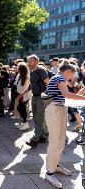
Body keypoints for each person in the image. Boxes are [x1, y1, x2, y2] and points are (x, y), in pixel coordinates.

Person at [44, 60, 85, 188]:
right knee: (55, 141)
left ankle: (55, 166)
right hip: (55, 110)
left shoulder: (60, 79)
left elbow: (67, 97)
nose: (72, 77)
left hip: (59, 110)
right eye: (72, 74)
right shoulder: (58, 78)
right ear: (67, 71)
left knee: (60, 141)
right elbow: (67, 94)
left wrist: (82, 92)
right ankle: (49, 172)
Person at [26, 54, 49, 147]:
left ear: (36, 61)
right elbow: (32, 84)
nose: (28, 63)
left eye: (30, 61)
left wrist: (46, 97)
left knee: (38, 119)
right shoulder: (31, 72)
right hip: (34, 97)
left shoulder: (41, 71)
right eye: (28, 62)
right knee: (37, 117)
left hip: (41, 97)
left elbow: (48, 83)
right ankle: (43, 136)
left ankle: (35, 139)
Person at [15, 63, 32, 131]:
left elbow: (28, 88)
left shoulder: (26, 77)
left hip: (24, 95)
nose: (17, 69)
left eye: (18, 68)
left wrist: (21, 94)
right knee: (20, 108)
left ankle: (25, 123)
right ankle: (24, 122)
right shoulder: (21, 76)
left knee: (21, 108)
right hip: (20, 94)